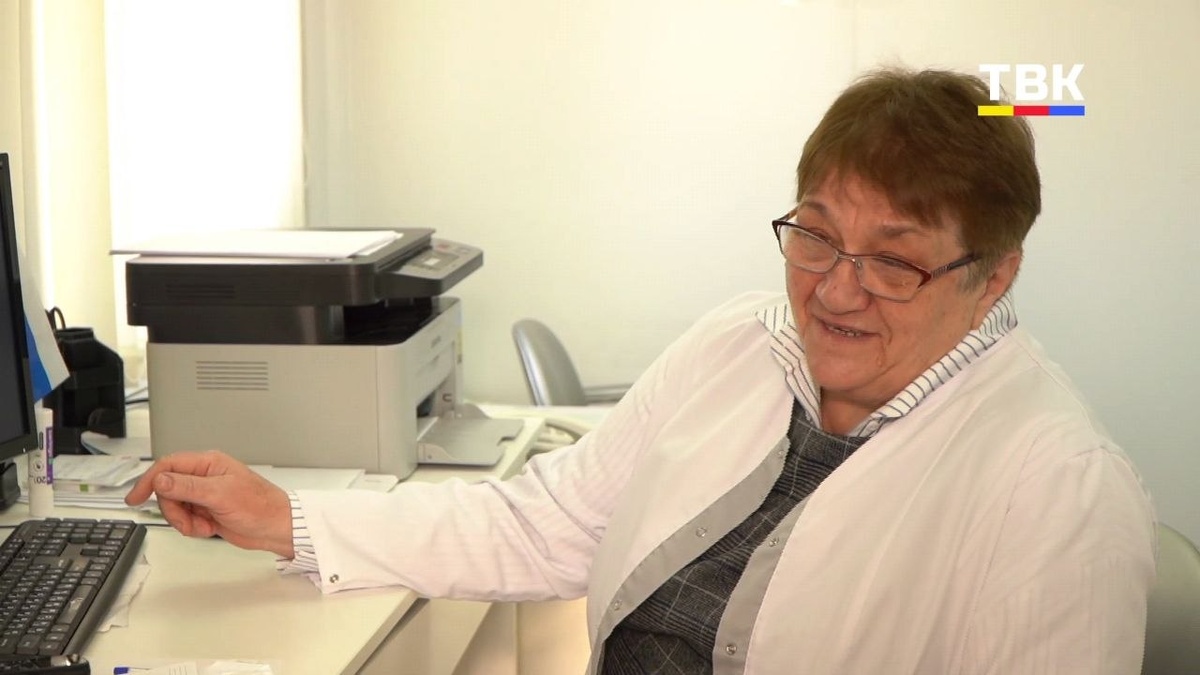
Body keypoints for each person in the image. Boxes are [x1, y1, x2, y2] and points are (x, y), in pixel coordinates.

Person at [126, 67, 1156, 674]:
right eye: (814, 235)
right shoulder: (741, 343)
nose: (836, 292)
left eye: (893, 261)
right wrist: (289, 517)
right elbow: (546, 523)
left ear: (993, 274)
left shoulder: (1058, 490)